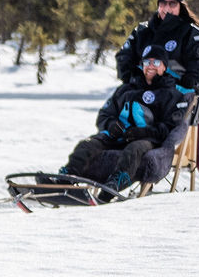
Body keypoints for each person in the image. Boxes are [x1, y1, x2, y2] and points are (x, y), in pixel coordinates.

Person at [113, 0, 199, 190]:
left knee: (196, 151)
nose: (166, 8)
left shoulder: (191, 33)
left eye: (172, 4)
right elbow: (124, 57)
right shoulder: (143, 31)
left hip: (180, 99)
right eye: (163, 4)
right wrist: (131, 76)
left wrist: (187, 81)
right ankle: (113, 180)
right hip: (144, 96)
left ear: (181, 7)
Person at [63, 48, 191, 191]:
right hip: (118, 137)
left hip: (149, 141)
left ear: (164, 67)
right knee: (87, 145)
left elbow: (170, 127)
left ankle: (114, 185)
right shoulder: (126, 89)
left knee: (134, 149)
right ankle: (66, 178)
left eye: (156, 62)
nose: (151, 66)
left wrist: (144, 132)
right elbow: (105, 114)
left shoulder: (171, 94)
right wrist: (111, 124)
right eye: (147, 62)